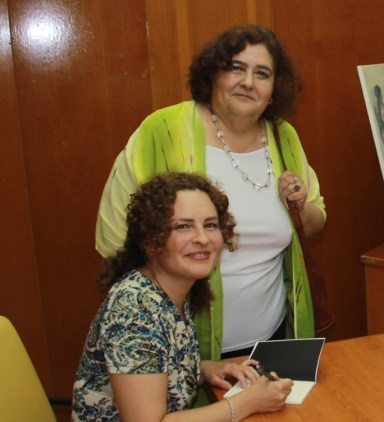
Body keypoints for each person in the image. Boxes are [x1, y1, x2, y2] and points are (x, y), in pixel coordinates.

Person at [96, 25, 327, 362]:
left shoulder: (284, 137)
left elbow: (316, 222)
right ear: (213, 74)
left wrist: (300, 206)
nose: (248, 82)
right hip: (180, 348)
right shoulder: (161, 131)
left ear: (274, 89)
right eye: (236, 68)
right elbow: (116, 242)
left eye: (262, 73)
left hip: (274, 341)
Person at [74, 173, 293, 421]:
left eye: (210, 225)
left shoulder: (172, 290)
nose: (202, 238)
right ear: (150, 240)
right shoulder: (134, 308)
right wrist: (248, 402)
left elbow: (154, 373)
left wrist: (204, 369)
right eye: (183, 226)